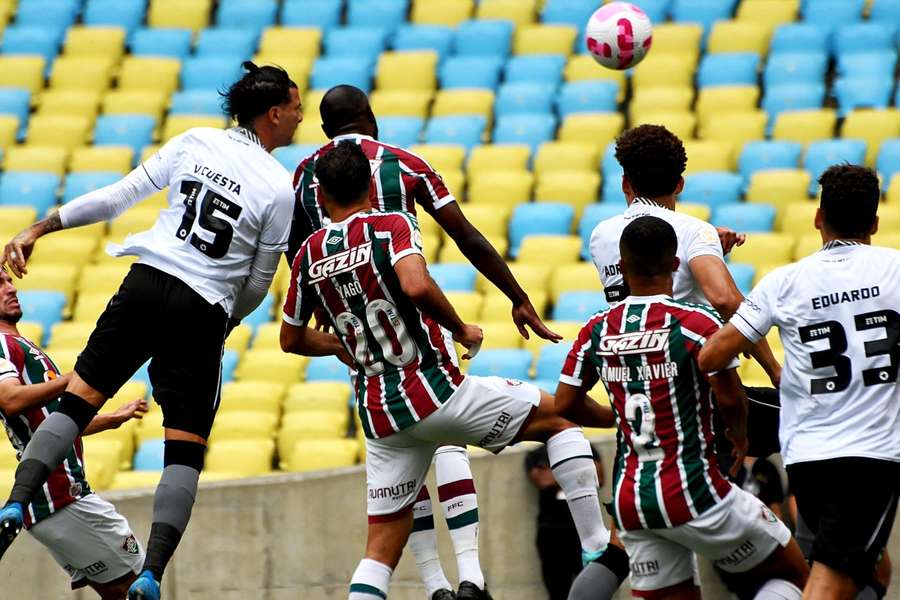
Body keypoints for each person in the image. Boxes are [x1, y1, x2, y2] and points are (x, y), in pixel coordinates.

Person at [0, 62, 300, 600]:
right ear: (274, 113)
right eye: (297, 107)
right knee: (183, 451)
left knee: (75, 403)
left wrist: (42, 226)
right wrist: (225, 320)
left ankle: (16, 501)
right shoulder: (280, 187)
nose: (302, 117)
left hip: (146, 281)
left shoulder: (194, 141)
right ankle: (152, 574)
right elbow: (258, 279)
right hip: (202, 306)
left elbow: (117, 196)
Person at [280, 142, 615, 600]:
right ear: (370, 186)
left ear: (319, 194)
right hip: (433, 392)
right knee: (561, 417)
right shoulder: (392, 225)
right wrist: (459, 328)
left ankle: (442, 581)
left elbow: (291, 340)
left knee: (379, 549)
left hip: (380, 417)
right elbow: (415, 285)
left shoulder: (307, 255)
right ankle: (597, 548)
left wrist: (347, 343)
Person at [556, 215, 809, 599]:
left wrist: (613, 417)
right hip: (694, 490)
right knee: (797, 578)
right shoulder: (696, 322)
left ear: (621, 268)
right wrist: (739, 436)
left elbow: (565, 403)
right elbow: (728, 395)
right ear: (677, 264)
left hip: (633, 501)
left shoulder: (596, 328)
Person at [699, 164, 900, 600]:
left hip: (806, 459)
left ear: (817, 218)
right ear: (875, 223)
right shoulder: (895, 270)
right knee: (829, 584)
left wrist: (741, 407)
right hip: (870, 456)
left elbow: (712, 354)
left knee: (874, 572)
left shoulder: (783, 282)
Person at [589, 124, 783, 471]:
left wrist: (707, 249)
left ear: (624, 183)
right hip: (698, 384)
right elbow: (723, 299)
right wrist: (774, 368)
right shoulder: (694, 231)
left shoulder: (602, 235)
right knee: (807, 419)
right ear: (679, 183)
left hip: (637, 386)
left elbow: (652, 270)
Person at [0, 268, 149, 599]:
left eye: (9, 280)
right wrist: (75, 377)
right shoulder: (0, 344)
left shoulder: (17, 343)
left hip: (50, 500)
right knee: (138, 586)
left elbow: (53, 421)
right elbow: (9, 400)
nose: (10, 288)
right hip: (60, 494)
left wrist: (110, 419)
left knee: (115, 592)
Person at [524, 444, 605, 600]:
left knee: (593, 588)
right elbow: (543, 480)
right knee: (557, 590)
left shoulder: (586, 448)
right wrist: (577, 473)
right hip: (550, 532)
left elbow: (598, 478)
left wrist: (553, 473)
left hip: (584, 531)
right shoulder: (535, 454)